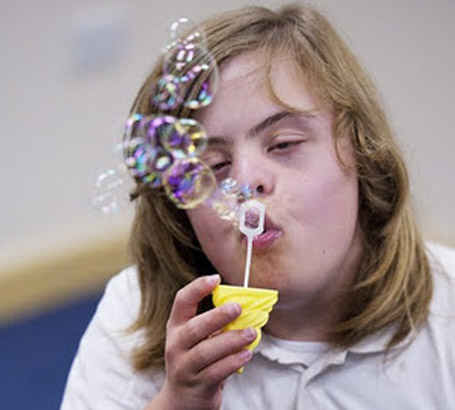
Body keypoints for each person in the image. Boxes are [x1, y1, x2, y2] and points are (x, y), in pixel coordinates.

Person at [61, 3, 455, 409]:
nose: (245, 182)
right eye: (214, 165)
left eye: (284, 144)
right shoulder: (133, 313)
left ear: (362, 151)